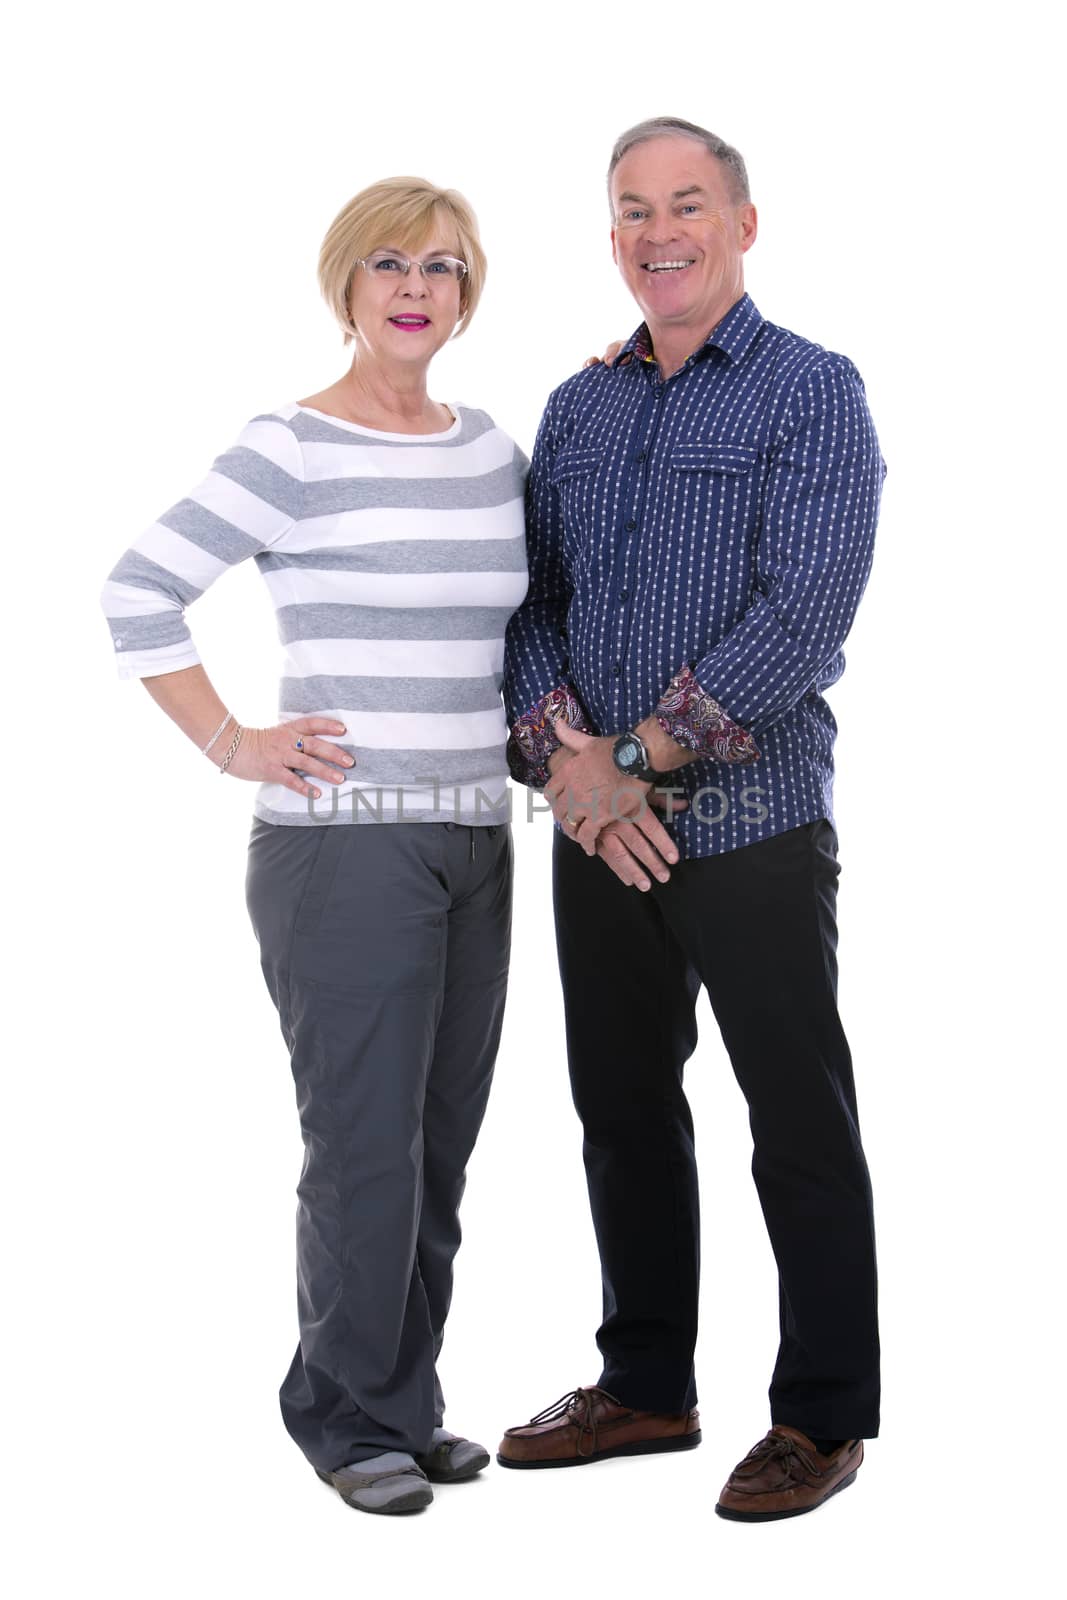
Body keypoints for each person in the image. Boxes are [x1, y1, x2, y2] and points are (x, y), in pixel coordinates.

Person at [100, 177, 528, 1516]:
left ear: (469, 295)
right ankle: (340, 1416)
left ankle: (405, 1401)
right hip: (343, 852)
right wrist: (233, 740)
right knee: (365, 1146)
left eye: (445, 269)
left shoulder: (490, 448)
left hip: (477, 840)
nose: (416, 288)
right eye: (390, 264)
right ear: (345, 286)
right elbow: (138, 589)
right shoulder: (290, 444)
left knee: (439, 1144)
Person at [499, 117, 884, 1521]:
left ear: (743, 222)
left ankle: (824, 1415)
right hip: (593, 827)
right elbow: (529, 603)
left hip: (754, 822)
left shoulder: (812, 392)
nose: (658, 232)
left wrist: (638, 759)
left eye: (686, 205)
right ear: (612, 237)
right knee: (620, 1108)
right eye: (632, 211)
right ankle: (646, 1384)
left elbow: (806, 617)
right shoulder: (581, 406)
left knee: (796, 1116)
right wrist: (569, 772)